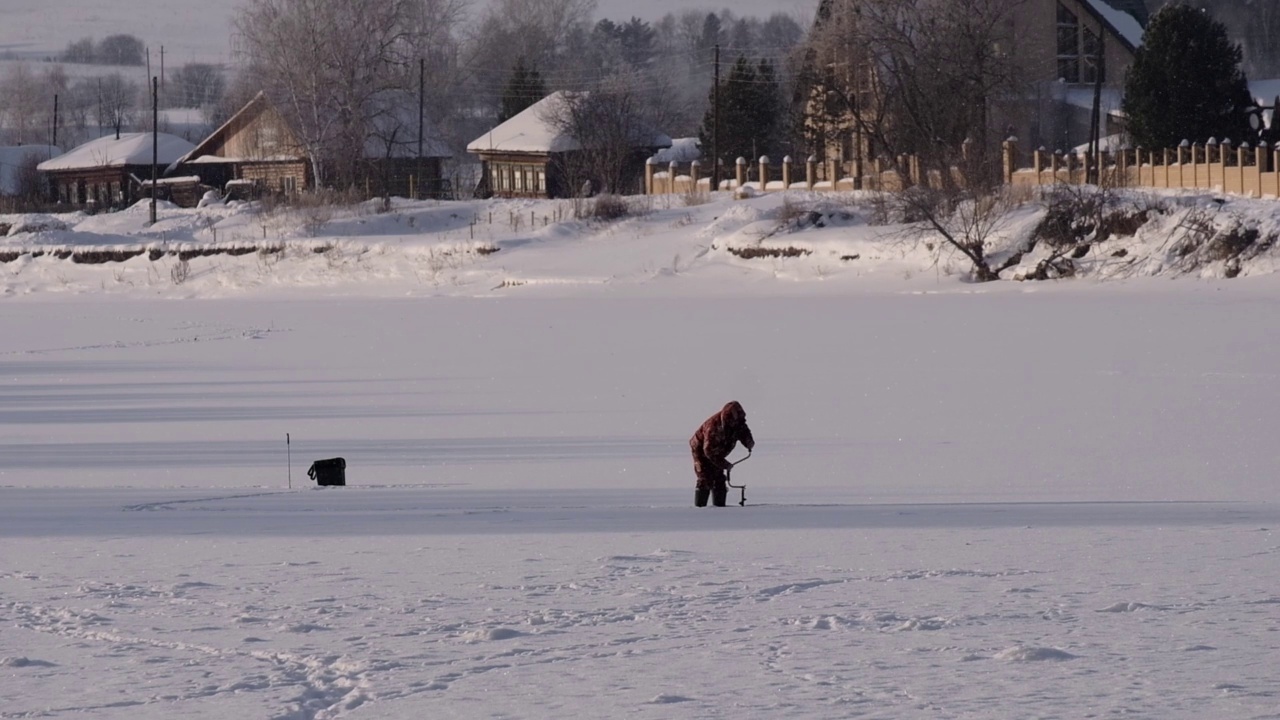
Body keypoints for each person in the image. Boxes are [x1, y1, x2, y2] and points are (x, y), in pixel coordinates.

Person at [689, 401, 755, 507]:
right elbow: (709, 451)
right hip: (701, 450)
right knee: (705, 477)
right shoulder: (713, 428)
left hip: (719, 451)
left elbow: (744, 431)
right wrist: (725, 464)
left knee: (719, 478)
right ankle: (700, 510)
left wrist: (748, 442)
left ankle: (719, 508)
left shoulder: (738, 422)